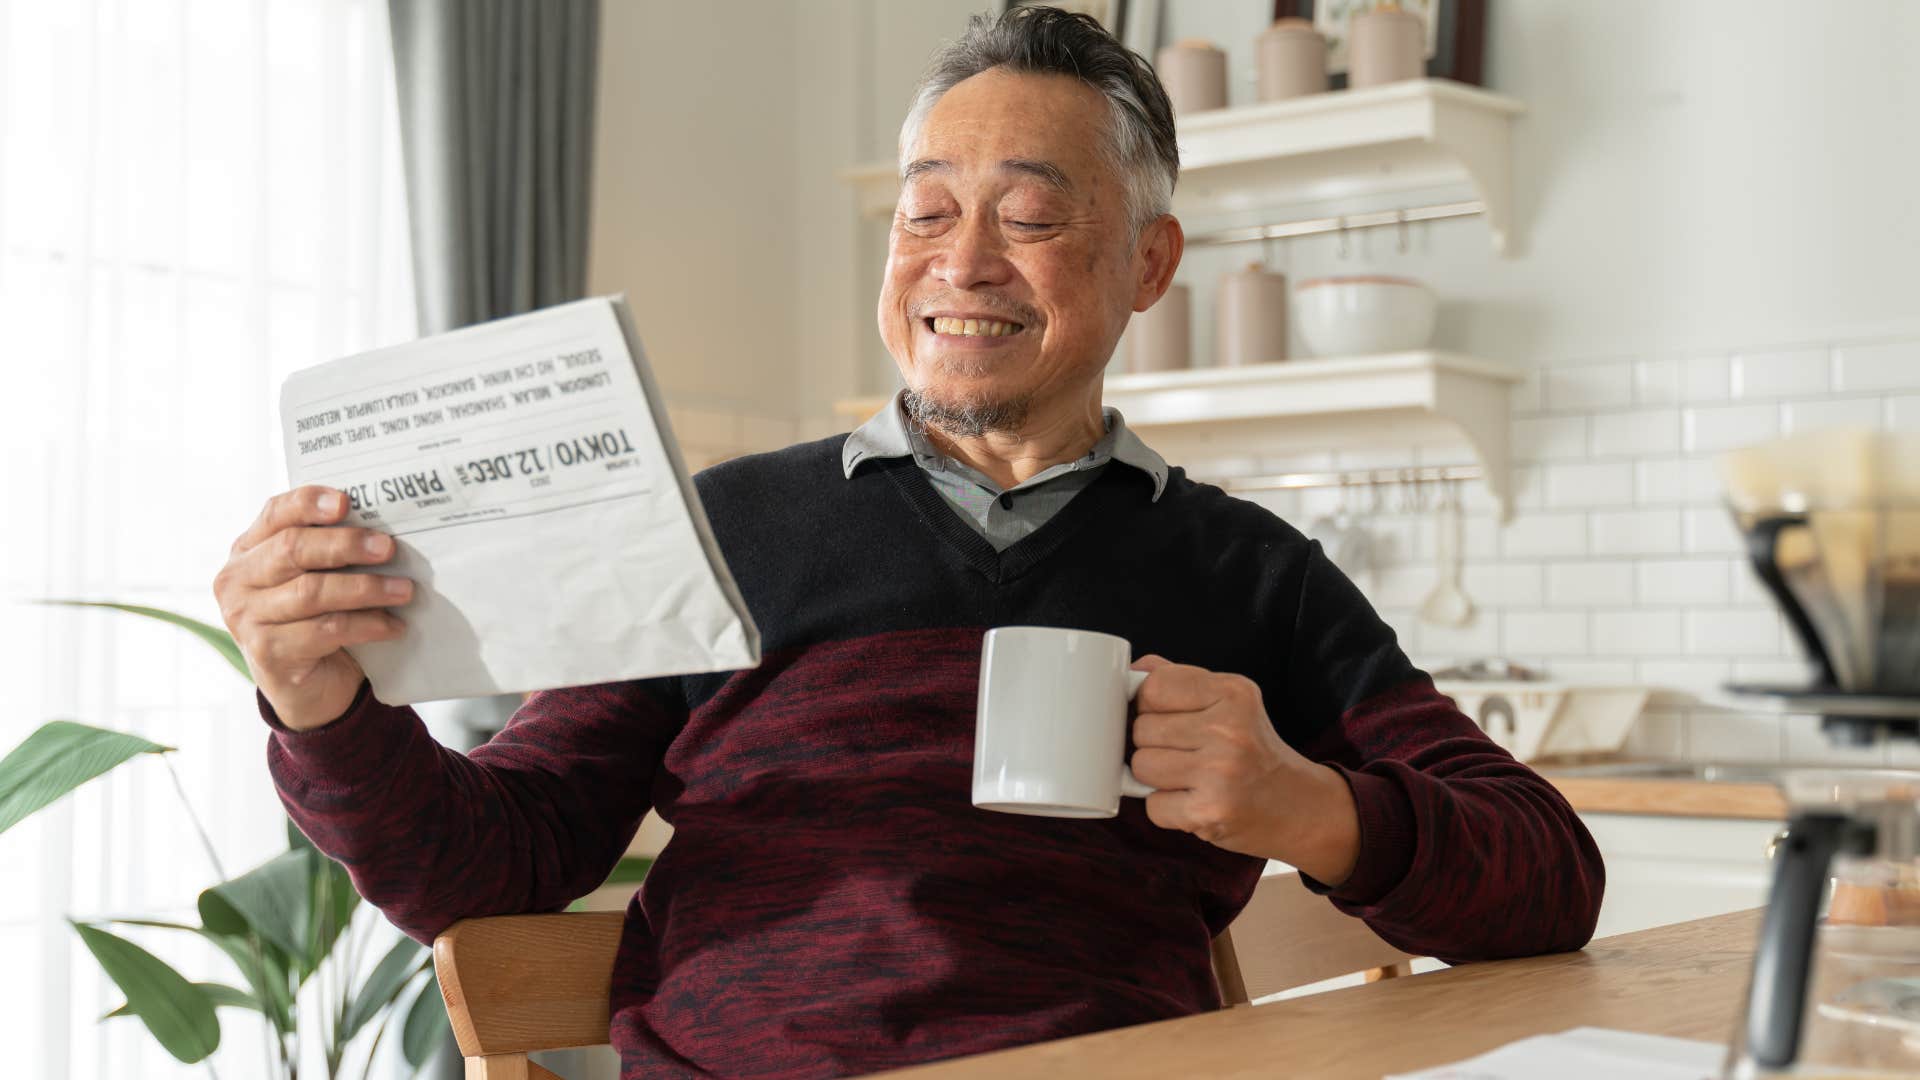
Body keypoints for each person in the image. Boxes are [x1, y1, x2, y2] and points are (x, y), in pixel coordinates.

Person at [212, 8, 1602, 1078]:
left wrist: (1311, 809)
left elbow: (1551, 873)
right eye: (927, 211)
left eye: (1035, 216)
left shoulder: (1247, 573)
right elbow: (486, 860)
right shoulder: (728, 528)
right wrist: (319, 704)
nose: (962, 259)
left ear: (1151, 267)